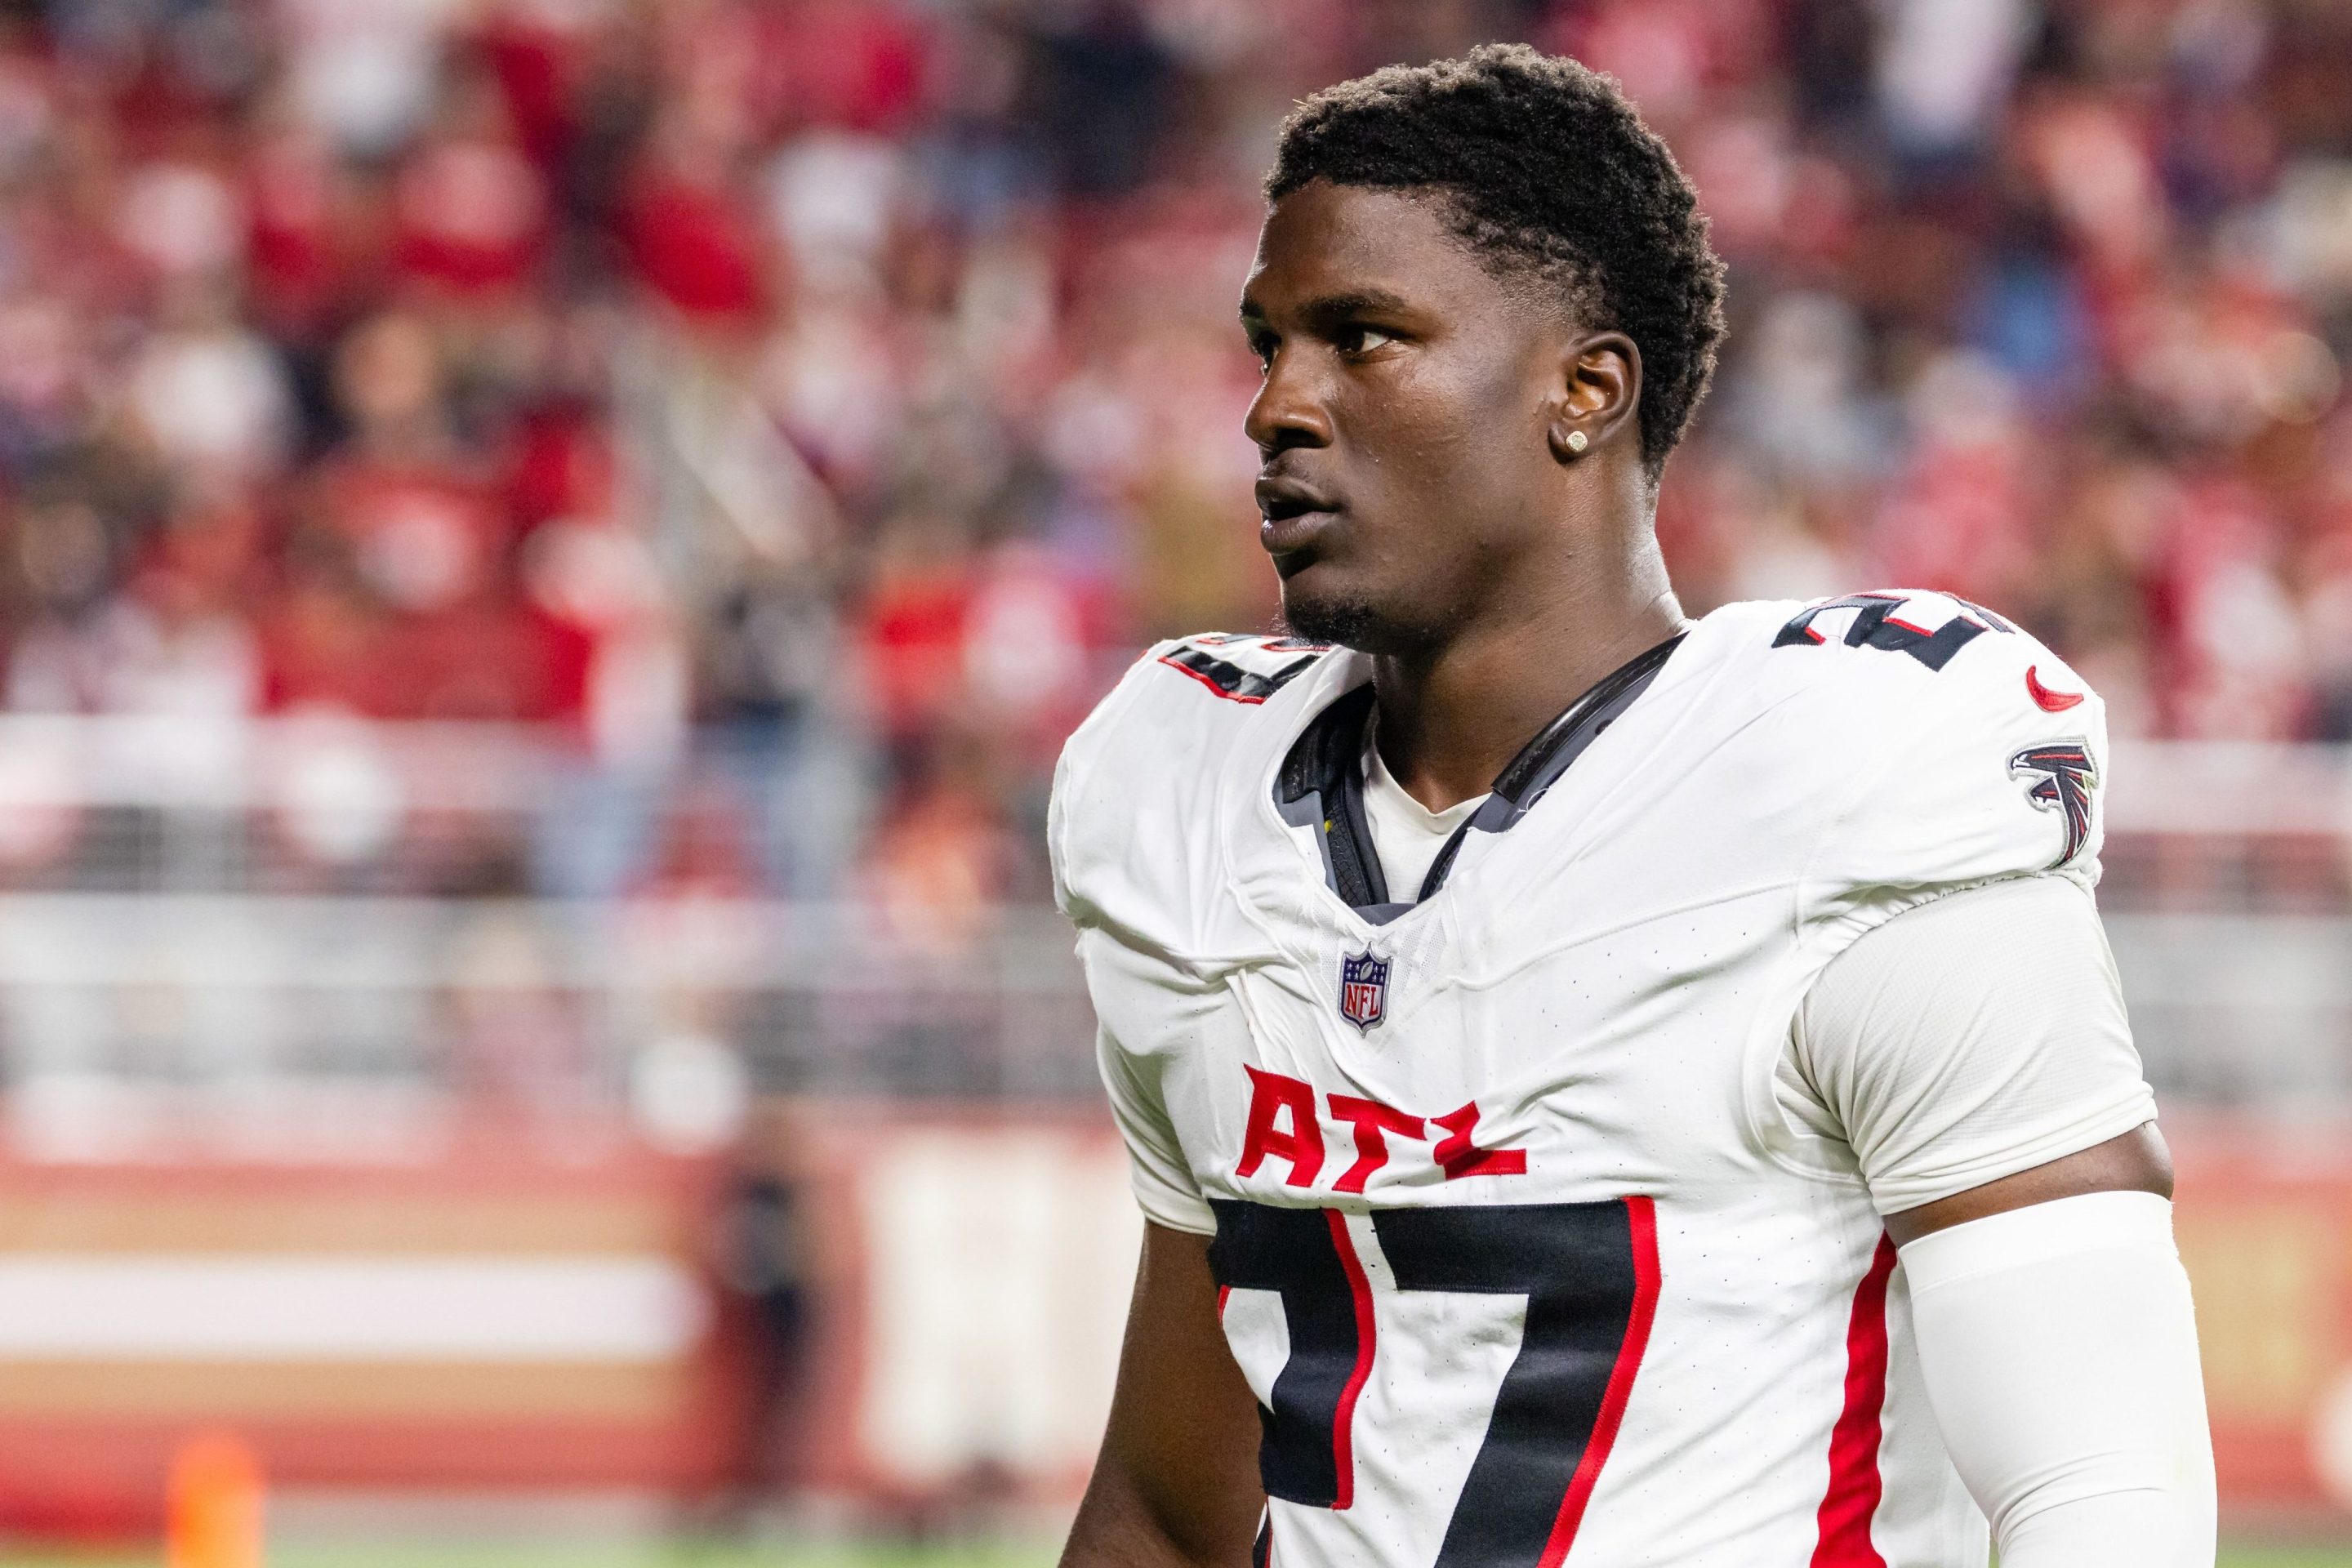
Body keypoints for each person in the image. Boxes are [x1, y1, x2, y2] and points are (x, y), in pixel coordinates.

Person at [1049, 44, 2213, 1568]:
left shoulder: (1840, 782)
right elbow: (1167, 1507)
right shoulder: (1189, 799)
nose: (1277, 406)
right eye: (1270, 343)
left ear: (1586, 391)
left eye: (1365, 338)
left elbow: (2100, 1493)